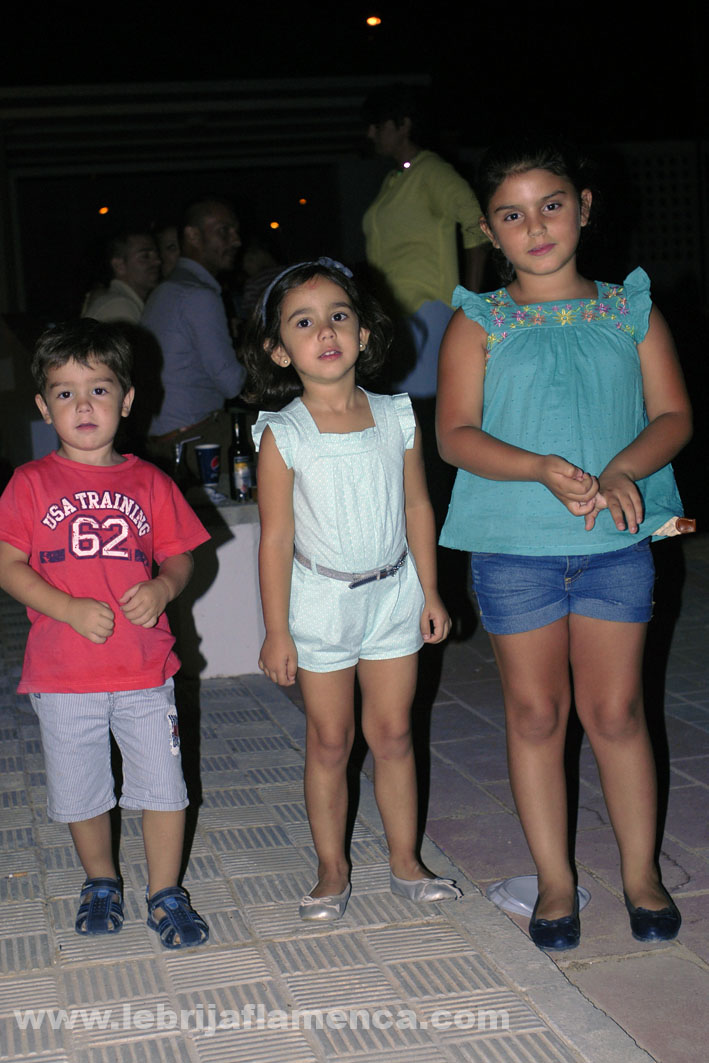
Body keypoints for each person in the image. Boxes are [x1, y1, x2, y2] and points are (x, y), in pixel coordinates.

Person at [436, 136, 693, 951]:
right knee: (535, 713)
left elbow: (673, 415)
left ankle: (640, 873)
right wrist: (538, 467)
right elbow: (453, 434)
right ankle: (553, 878)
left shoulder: (628, 309)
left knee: (616, 712)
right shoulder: (479, 322)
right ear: (489, 231)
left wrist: (621, 468)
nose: (535, 227)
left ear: (582, 208)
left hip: (615, 546)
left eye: (550, 206)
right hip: (513, 551)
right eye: (512, 216)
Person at [243, 258, 460, 921]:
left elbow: (418, 506)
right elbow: (275, 539)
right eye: (303, 322)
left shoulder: (396, 416)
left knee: (393, 732)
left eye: (338, 315)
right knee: (331, 740)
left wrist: (430, 590)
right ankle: (332, 867)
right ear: (280, 350)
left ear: (363, 333)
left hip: (393, 594)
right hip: (320, 605)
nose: (325, 331)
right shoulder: (283, 433)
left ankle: (405, 860)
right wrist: (276, 628)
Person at [0, 320, 211, 949]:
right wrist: (65, 608)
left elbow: (180, 555)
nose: (83, 405)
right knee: (83, 791)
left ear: (127, 399)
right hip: (64, 674)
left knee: (164, 788)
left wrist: (164, 588)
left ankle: (165, 892)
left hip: (145, 669)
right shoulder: (29, 483)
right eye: (65, 393)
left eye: (99, 389)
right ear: (44, 408)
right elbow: (8, 565)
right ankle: (100, 880)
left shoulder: (151, 482)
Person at [142, 197, 246, 478]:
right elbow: (231, 384)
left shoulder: (165, 290)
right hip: (192, 441)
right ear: (193, 236)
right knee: (286, 441)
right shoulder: (198, 295)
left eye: (235, 231)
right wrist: (263, 360)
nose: (236, 240)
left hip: (161, 442)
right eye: (224, 231)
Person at [82, 231, 161, 323]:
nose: (157, 262)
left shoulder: (122, 302)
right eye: (145, 256)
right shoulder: (119, 306)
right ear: (119, 266)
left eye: (157, 255)